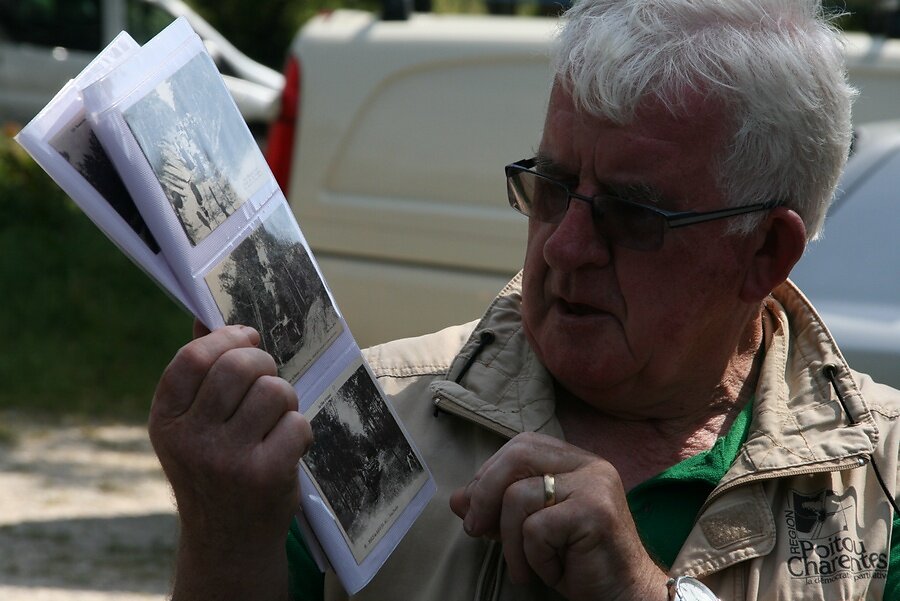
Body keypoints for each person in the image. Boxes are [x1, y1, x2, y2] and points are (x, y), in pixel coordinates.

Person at [148, 0, 900, 599]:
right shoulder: (360, 419)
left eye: (633, 215)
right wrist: (224, 536)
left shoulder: (884, 479)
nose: (566, 246)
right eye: (552, 186)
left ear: (764, 252)